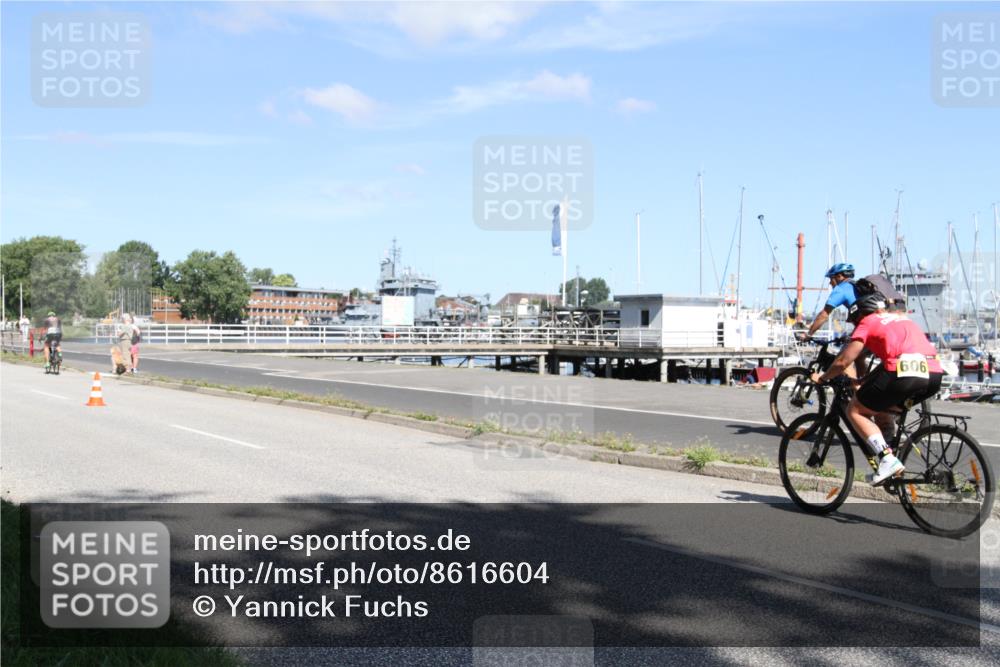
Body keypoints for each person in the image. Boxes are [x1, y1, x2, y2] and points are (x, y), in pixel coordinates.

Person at [811, 293, 944, 485]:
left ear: (860, 316)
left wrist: (823, 377)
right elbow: (890, 361)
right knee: (881, 407)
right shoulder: (900, 319)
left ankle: (887, 459)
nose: (855, 326)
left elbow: (843, 360)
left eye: (854, 322)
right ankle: (891, 451)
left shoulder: (868, 321)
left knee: (855, 411)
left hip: (904, 374)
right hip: (933, 375)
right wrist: (863, 379)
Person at [802, 262, 857, 339]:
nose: (830, 283)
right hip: (876, 323)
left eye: (831, 278)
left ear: (839, 276)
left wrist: (808, 334)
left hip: (868, 326)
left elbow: (824, 315)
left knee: (846, 351)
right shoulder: (855, 286)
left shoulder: (841, 289)